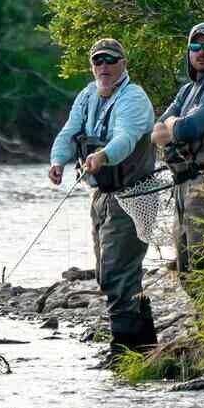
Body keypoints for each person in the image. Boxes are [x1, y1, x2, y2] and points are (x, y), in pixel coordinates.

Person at [47, 38, 158, 356]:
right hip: (102, 196)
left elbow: (126, 138)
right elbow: (69, 132)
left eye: (111, 60)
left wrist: (103, 155)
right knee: (109, 273)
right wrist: (57, 161)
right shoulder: (87, 96)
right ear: (92, 66)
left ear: (123, 64)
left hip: (134, 196)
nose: (104, 66)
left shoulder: (133, 99)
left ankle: (123, 349)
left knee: (116, 273)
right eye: (98, 60)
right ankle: (144, 348)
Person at [151, 22, 204, 274]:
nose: (201, 52)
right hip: (182, 184)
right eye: (195, 46)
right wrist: (172, 125)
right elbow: (157, 132)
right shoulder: (187, 90)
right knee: (186, 269)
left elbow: (187, 128)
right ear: (188, 51)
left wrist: (173, 124)